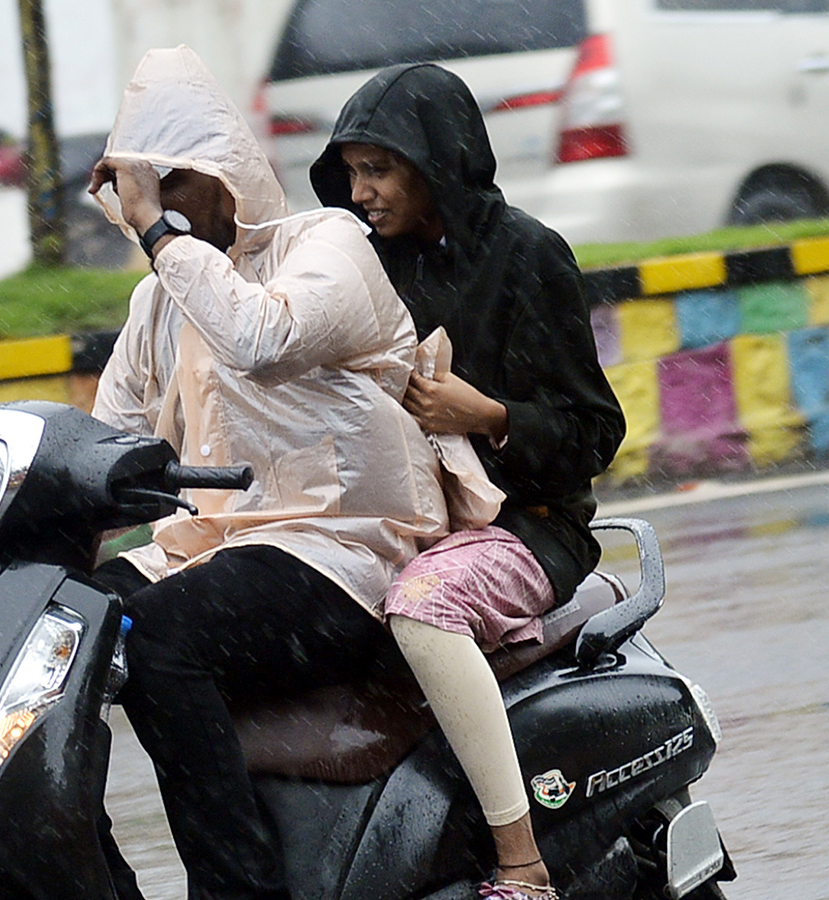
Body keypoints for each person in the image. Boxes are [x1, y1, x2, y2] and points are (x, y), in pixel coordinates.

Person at [86, 47, 458, 900]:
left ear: (230, 180)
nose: (161, 213)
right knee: (63, 629)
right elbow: (103, 444)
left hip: (344, 550)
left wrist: (157, 235)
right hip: (218, 547)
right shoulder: (159, 301)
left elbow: (261, 339)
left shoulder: (327, 245)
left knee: (159, 640)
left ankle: (237, 891)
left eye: (175, 186)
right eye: (146, 191)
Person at [310, 64, 627, 900]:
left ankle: (522, 862)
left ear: (436, 162)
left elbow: (596, 433)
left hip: (532, 526)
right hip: (407, 517)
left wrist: (485, 414)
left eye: (378, 170)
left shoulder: (529, 255)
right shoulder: (365, 263)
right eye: (350, 172)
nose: (360, 191)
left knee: (422, 607)